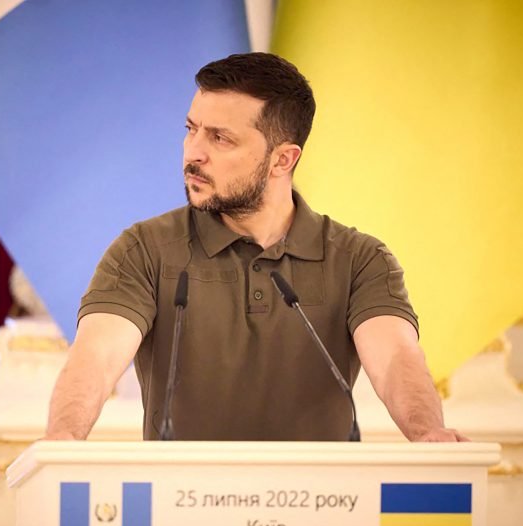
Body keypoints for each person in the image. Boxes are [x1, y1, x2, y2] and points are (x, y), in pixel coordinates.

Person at [45, 52, 465, 447]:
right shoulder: (143, 249)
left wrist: (427, 432)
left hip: (322, 497)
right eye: (191, 129)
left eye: (220, 138)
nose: (194, 153)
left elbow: (394, 359)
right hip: (180, 495)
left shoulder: (360, 259)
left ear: (283, 160)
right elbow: (96, 358)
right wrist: (63, 437)